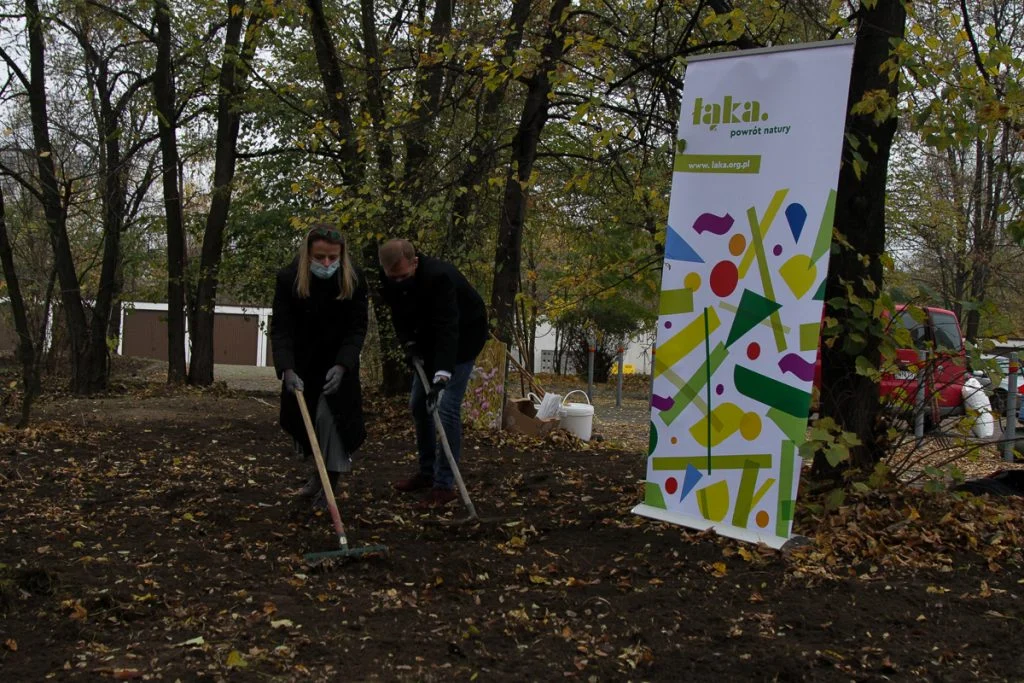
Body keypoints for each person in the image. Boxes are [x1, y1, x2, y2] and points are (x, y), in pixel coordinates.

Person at [378, 238, 488, 508]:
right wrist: (409, 344)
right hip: (428, 342)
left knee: (445, 407)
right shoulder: (391, 279)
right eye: (393, 278)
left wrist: (441, 376)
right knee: (418, 404)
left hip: (462, 340)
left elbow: (448, 327)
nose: (399, 282)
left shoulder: (440, 278)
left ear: (415, 262)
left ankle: (444, 485)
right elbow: (399, 316)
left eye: (403, 276)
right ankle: (427, 473)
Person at [272, 223, 368, 510]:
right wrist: (287, 368)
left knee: (332, 423)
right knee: (307, 423)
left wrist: (343, 365)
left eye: (332, 258)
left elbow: (357, 328)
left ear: (342, 255)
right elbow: (281, 328)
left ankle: (330, 485)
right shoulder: (289, 278)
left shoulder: (353, 279)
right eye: (320, 257)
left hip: (338, 364)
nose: (327, 263)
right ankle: (318, 474)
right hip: (302, 364)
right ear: (307, 254)